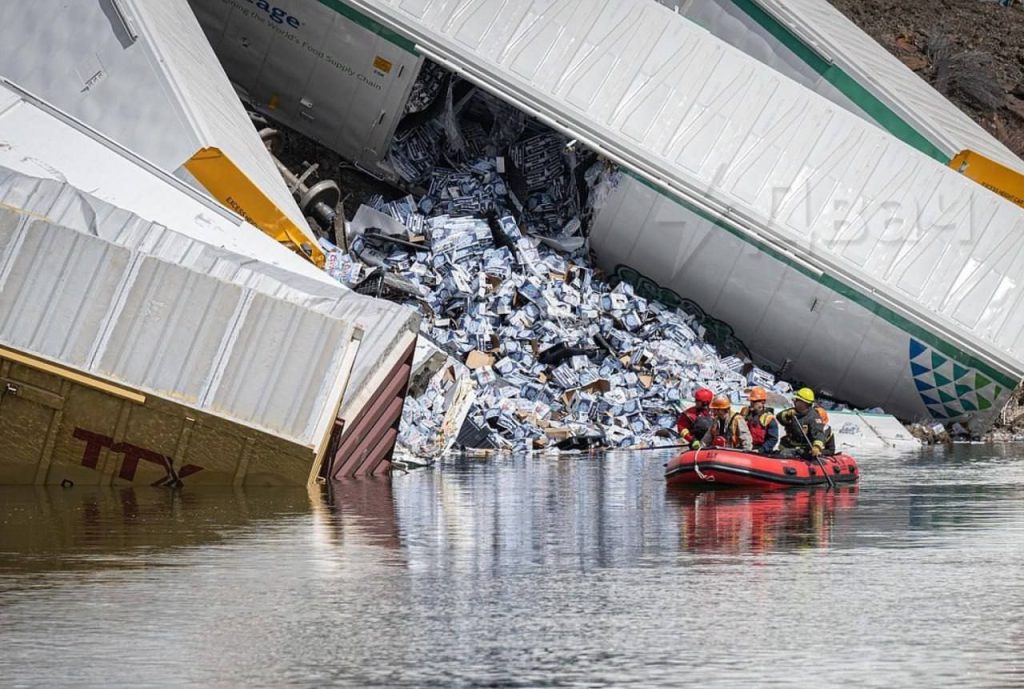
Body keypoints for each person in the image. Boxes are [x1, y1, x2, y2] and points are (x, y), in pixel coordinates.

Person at [777, 387, 835, 457]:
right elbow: (779, 418)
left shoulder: (813, 417)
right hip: (788, 446)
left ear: (805, 404)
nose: (795, 403)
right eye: (796, 401)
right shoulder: (793, 412)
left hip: (804, 450)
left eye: (798, 401)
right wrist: (786, 414)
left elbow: (818, 433)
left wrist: (817, 447)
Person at [740, 387, 780, 454]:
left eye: (754, 401)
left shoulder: (769, 419)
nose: (751, 403)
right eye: (751, 401)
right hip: (745, 447)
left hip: (760, 451)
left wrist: (761, 450)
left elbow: (773, 439)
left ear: (762, 402)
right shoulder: (745, 413)